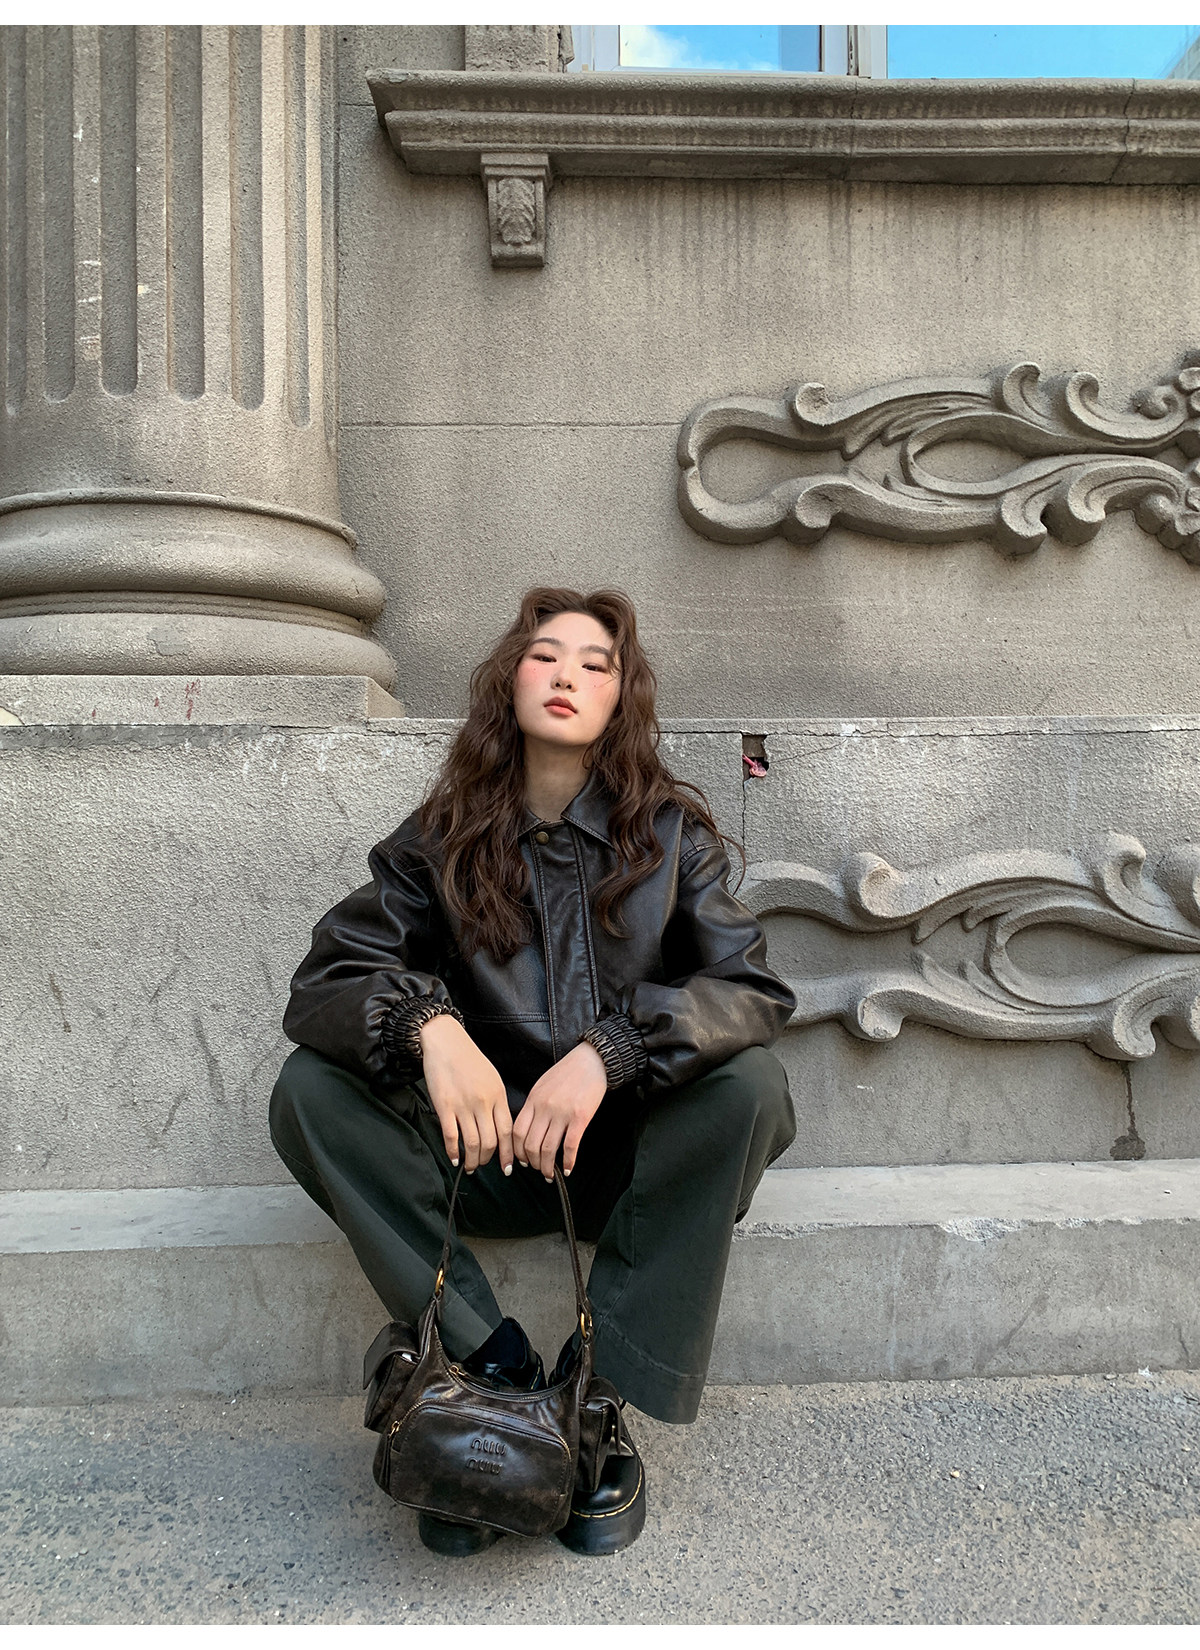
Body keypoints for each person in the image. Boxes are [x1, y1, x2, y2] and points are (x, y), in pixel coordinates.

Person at [270, 586, 797, 1557]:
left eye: (596, 664)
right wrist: (431, 1027)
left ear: (621, 698)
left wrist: (612, 1051)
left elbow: (751, 992)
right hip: (482, 1158)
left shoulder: (670, 838)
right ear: (509, 681)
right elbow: (326, 985)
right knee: (308, 1090)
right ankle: (490, 1372)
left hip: (620, 1169)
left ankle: (594, 1402)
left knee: (752, 1089)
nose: (566, 675)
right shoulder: (439, 838)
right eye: (545, 655)